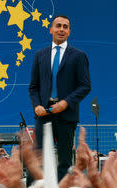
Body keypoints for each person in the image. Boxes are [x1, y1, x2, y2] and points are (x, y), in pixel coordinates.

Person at [29, 15, 91, 179]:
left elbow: (85, 86)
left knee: (64, 161)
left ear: (69, 32)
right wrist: (37, 106)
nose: (61, 29)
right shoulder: (40, 55)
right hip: (43, 115)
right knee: (39, 159)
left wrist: (66, 103)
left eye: (65, 26)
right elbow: (33, 87)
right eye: (58, 26)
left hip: (66, 115)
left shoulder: (78, 56)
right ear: (51, 29)